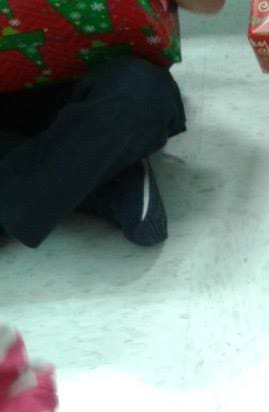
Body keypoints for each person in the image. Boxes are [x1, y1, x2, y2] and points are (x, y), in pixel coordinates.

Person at [0, 0, 224, 248]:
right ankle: (102, 180)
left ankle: (77, 179)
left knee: (140, 93)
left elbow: (210, 5)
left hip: (100, 83)